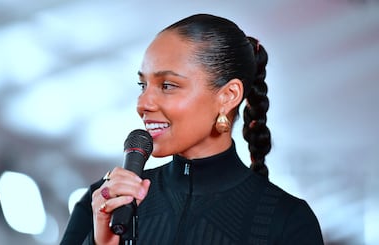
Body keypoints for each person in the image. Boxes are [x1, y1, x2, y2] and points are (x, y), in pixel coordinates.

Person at [60, 13, 324, 245]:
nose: (142, 104)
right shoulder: (102, 203)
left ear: (228, 95)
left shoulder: (287, 220)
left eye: (167, 85)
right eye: (143, 85)